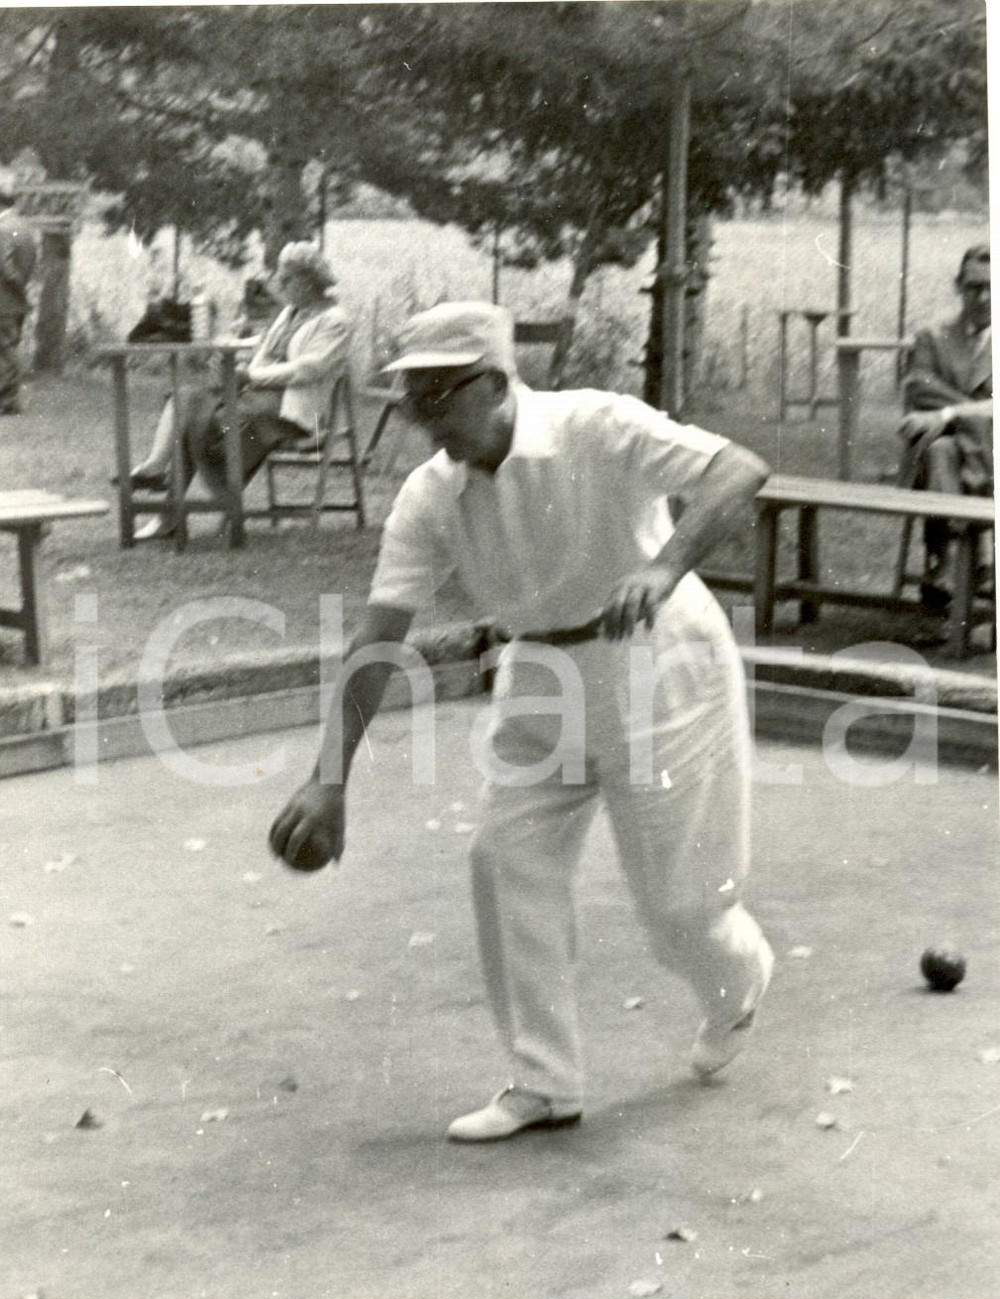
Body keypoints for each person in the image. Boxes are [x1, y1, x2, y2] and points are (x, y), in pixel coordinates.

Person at [269, 301, 775, 1143]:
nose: (423, 420)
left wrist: (662, 565)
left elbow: (739, 469)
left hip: (661, 663)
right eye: (409, 400)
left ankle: (741, 981)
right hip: (538, 673)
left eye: (438, 396)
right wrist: (329, 779)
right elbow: (378, 636)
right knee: (506, 860)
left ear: (497, 382)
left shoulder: (598, 425)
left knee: (684, 913)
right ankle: (544, 1082)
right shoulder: (430, 495)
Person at [129, 242, 350, 539]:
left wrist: (251, 375)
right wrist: (236, 361)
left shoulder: (336, 321)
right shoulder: (291, 313)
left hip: (291, 410)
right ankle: (156, 469)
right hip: (258, 395)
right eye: (279, 277)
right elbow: (266, 352)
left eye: (287, 278)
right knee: (189, 400)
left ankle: (169, 514)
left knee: (206, 419)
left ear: (310, 281)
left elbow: (308, 368)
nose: (279, 284)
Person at [899, 244, 993, 606]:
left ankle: (947, 560)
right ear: (958, 286)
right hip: (962, 463)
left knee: (944, 447)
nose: (983, 297)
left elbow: (933, 403)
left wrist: (949, 414)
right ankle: (961, 560)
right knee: (939, 450)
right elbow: (918, 388)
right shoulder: (932, 336)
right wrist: (980, 410)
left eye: (991, 286)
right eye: (973, 287)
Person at [0, 171, 38, 415]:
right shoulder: (23, 227)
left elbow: (5, 267)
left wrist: (17, 288)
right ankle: (9, 400)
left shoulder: (3, 229)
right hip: (15, 301)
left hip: (5, 300)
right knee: (7, 346)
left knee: (6, 347)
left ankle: (16, 393)